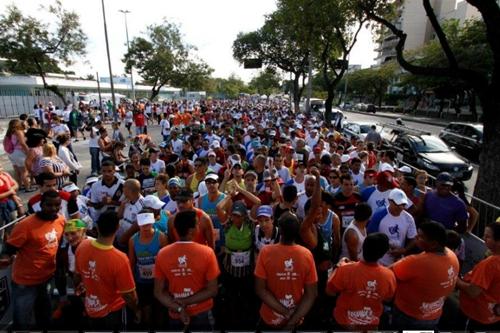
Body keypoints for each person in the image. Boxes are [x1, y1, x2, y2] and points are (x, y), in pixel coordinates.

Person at [1, 190, 65, 330]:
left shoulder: (60, 220)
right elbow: (9, 249)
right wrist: (6, 258)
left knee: (44, 316)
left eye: (57, 205)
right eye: (49, 205)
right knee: (22, 321)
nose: (54, 208)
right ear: (41, 205)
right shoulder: (25, 225)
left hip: (47, 279)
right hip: (25, 283)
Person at [154, 210, 220, 330]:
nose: (199, 226)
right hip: (202, 312)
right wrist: (185, 301)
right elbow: (212, 290)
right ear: (191, 230)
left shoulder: (162, 254)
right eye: (197, 224)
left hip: (175, 313)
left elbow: (158, 292)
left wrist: (179, 307)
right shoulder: (207, 253)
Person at [74, 210, 139, 330]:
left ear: (97, 227)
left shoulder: (82, 246)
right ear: (117, 227)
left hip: (91, 309)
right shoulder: (120, 258)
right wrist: (136, 311)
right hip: (113, 312)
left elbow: (77, 277)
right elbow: (129, 295)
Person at [255, 212, 318, 330]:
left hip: (270, 319)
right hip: (296, 319)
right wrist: (292, 321)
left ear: (281, 231)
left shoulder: (266, 252)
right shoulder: (306, 254)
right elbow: (311, 294)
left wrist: (285, 312)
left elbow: (260, 289)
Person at [391, 221, 459, 330]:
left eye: (420, 237)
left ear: (433, 243)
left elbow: (387, 274)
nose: (416, 237)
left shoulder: (417, 262)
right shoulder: (452, 255)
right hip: (433, 315)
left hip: (409, 316)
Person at [327, 233, 396, 330]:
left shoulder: (344, 269)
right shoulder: (389, 276)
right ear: (383, 253)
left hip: (343, 324)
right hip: (371, 326)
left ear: (363, 247)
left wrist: (336, 268)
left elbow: (330, 292)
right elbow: (388, 298)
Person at [457, 221, 500, 330]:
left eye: (488, 237)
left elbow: (473, 291)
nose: (483, 238)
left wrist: (457, 281)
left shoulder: (490, 264)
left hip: (477, 314)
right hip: (493, 313)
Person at [128, 211, 167, 327]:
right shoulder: (132, 240)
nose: (145, 228)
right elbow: (131, 262)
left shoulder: (161, 237)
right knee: (146, 313)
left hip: (158, 282)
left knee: (160, 311)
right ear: (138, 224)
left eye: (148, 224)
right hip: (142, 282)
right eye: (143, 225)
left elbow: (167, 261)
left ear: (153, 222)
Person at [367, 189, 417, 266]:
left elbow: (413, 238)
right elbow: (371, 237)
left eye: (403, 204)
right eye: (397, 204)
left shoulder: (408, 218)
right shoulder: (379, 215)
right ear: (389, 201)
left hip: (398, 261)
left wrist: (404, 250)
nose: (400, 207)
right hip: (380, 261)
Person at [5, 119, 33, 192]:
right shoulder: (19, 132)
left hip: (11, 153)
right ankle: (28, 188)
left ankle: (20, 186)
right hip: (19, 152)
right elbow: (22, 143)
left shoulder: (9, 133)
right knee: (24, 171)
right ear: (18, 124)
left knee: (17, 171)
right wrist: (28, 152)